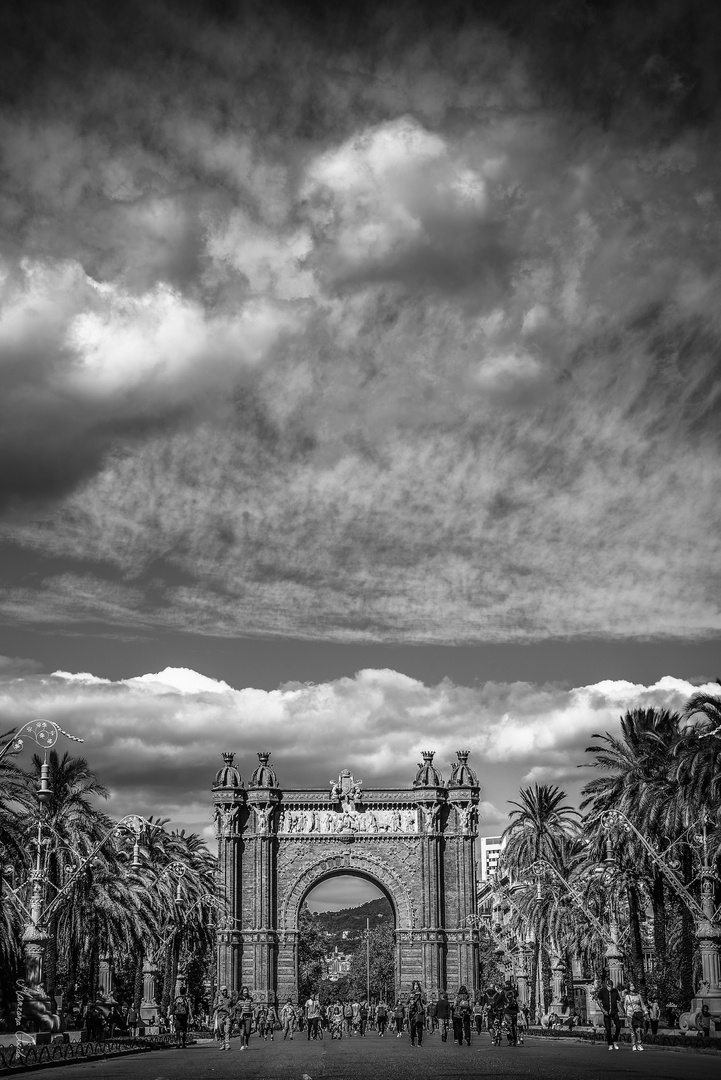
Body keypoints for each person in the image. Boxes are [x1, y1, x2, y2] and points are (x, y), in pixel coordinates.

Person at [595, 978, 621, 1050]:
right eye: (609, 986)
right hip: (606, 1012)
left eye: (611, 986)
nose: (610, 988)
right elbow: (598, 1001)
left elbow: (619, 1000)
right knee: (608, 1029)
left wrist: (623, 1009)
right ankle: (610, 1044)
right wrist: (603, 1010)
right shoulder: (602, 991)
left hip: (614, 1011)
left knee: (618, 1026)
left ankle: (615, 1041)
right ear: (607, 986)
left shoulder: (615, 991)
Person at [623, 982, 647, 1051]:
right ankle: (634, 1044)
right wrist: (625, 1013)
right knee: (632, 1029)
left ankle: (639, 1043)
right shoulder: (627, 996)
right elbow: (625, 1005)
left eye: (633, 985)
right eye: (631, 986)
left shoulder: (639, 995)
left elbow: (642, 1005)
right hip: (630, 1014)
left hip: (638, 1014)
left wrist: (645, 1012)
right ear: (629, 988)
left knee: (638, 1029)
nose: (632, 987)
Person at [213, 986, 232, 1051]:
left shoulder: (229, 999)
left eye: (225, 990)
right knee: (221, 1031)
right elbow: (214, 1007)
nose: (224, 992)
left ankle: (227, 1044)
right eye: (223, 990)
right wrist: (218, 1004)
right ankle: (223, 1044)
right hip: (220, 1016)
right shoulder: (217, 999)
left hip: (227, 1016)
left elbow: (232, 1007)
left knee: (227, 1030)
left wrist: (232, 1014)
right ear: (220, 991)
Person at [408, 981, 426, 1047]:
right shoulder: (411, 993)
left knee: (419, 1028)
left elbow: (424, 1001)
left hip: (419, 1012)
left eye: (417, 985)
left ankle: (419, 1042)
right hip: (413, 1012)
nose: (416, 986)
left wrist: (421, 997)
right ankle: (412, 1041)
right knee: (412, 1028)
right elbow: (407, 1002)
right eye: (415, 985)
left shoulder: (421, 993)